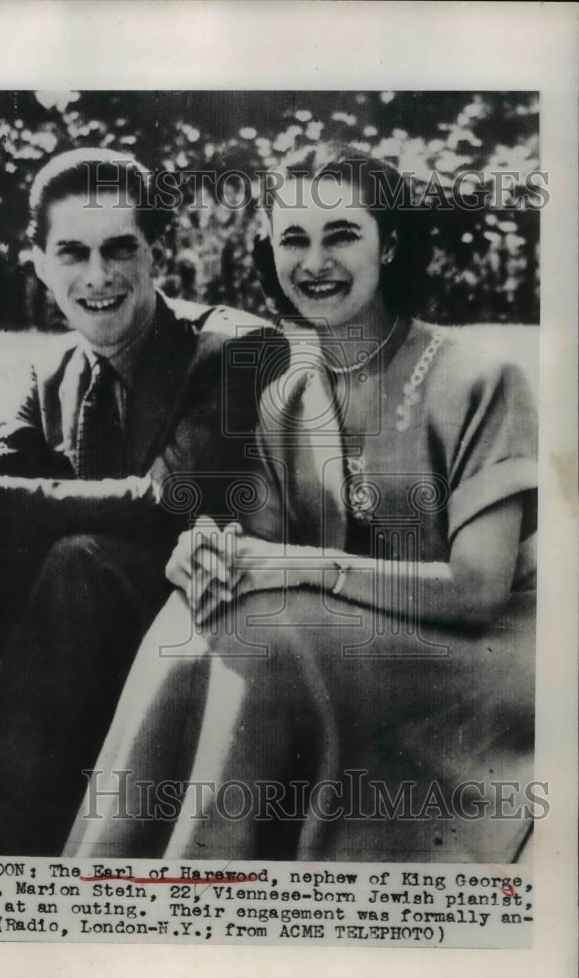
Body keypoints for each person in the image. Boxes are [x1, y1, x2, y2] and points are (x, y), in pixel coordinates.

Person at [64, 144, 538, 863]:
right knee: (195, 616)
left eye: (341, 234)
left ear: (390, 244)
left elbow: (478, 590)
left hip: (484, 660)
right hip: (344, 635)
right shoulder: (284, 396)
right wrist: (210, 552)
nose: (314, 261)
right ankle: (108, 884)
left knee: (270, 626)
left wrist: (298, 565)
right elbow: (257, 550)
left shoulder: (480, 376)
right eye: (294, 238)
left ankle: (201, 885)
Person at [0, 147, 265, 855]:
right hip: (76, 618)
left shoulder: (235, 350)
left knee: (78, 557)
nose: (97, 277)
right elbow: (2, 472)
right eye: (72, 253)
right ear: (37, 262)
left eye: (119, 248)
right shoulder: (57, 369)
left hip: (203, 607)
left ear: (158, 253)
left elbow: (168, 500)